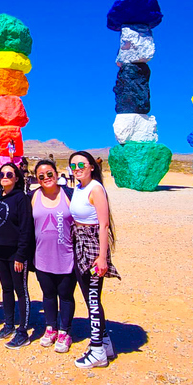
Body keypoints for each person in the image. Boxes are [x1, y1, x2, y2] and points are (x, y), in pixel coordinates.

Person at [69, 151, 120, 368]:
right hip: (79, 243)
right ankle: (105, 342)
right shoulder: (79, 188)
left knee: (92, 298)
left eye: (81, 164)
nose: (77, 168)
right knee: (89, 296)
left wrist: (101, 258)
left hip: (91, 247)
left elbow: (104, 225)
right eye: (73, 165)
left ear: (92, 166)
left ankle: (97, 350)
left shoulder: (96, 189)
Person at [0, 162, 33, 349]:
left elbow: (26, 229)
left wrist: (21, 255)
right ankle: (9, 325)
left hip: (15, 254)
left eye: (10, 174)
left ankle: (23, 331)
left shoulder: (21, 199)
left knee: (21, 290)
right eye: (2, 174)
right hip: (0, 253)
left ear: (16, 178)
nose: (5, 176)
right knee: (6, 289)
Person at [30, 159, 77, 353]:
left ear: (57, 174)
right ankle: (51, 327)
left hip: (67, 256)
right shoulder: (32, 197)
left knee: (65, 295)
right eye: (41, 176)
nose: (46, 178)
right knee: (48, 295)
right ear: (37, 179)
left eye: (49, 174)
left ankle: (65, 330)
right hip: (42, 257)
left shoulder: (69, 195)